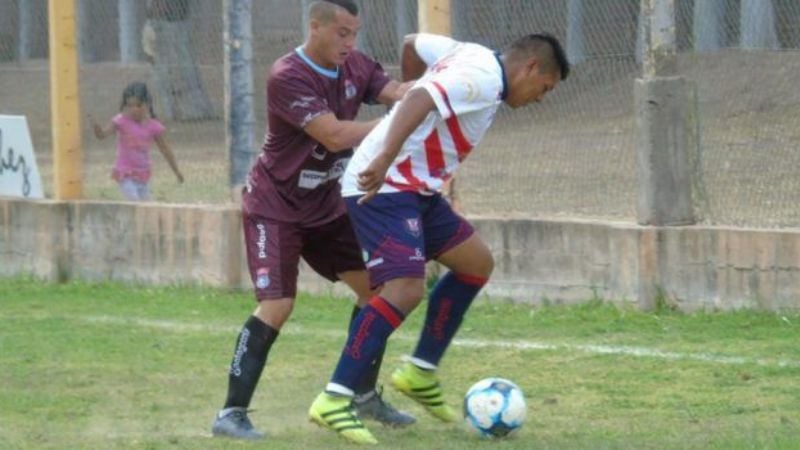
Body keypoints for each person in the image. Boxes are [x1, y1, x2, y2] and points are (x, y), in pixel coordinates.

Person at [308, 32, 570, 444]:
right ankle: (335, 398)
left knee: (475, 263)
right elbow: (418, 99)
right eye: (545, 88)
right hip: (385, 185)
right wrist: (384, 156)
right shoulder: (482, 77)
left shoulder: (473, 55)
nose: (540, 97)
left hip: (416, 190)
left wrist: (409, 97)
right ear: (531, 68)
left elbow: (412, 42)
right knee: (405, 289)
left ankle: (420, 371)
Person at [210, 0, 417, 440]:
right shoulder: (288, 75)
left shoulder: (356, 65)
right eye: (342, 33)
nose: (350, 43)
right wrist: (397, 124)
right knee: (278, 305)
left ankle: (361, 394)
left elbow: (396, 93)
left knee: (375, 291)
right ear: (315, 26)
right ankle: (231, 414)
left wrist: (429, 93)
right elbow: (334, 134)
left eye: (355, 33)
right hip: (275, 207)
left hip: (326, 206)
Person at [91, 81, 184, 201]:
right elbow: (102, 135)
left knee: (147, 207)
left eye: (138, 105)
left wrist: (176, 171)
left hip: (143, 174)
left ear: (147, 104)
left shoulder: (153, 126)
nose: (134, 110)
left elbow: (165, 150)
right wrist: (96, 128)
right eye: (130, 106)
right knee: (134, 202)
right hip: (125, 173)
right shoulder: (121, 121)